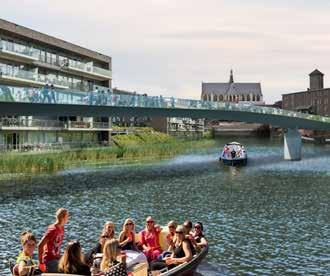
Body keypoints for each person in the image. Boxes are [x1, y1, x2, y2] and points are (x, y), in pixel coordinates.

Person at [38, 208, 69, 273]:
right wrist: (41, 264)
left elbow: (56, 249)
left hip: (56, 259)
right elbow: (40, 245)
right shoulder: (52, 230)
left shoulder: (62, 228)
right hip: (49, 261)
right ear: (62, 217)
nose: (68, 218)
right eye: (67, 216)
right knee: (68, 269)